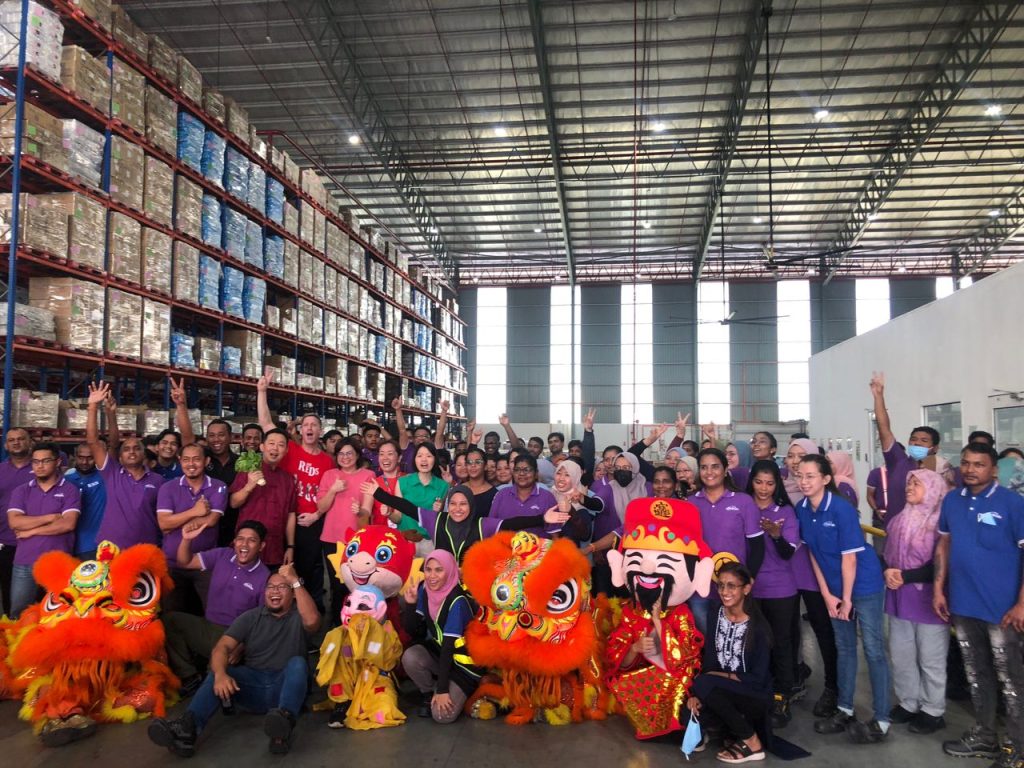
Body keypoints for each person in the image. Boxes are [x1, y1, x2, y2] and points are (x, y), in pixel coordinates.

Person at [147, 563, 320, 757]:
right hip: (254, 685)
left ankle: (283, 725)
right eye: (270, 587)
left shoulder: (299, 615)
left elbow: (313, 621)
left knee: (297, 663)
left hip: (285, 686)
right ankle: (187, 728)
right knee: (220, 671)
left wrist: (295, 580)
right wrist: (220, 674)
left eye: (282, 587)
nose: (275, 591)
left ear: (293, 593)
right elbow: (222, 647)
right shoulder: (251, 617)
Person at [936, 443, 1024, 766]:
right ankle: (985, 737)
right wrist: (938, 589)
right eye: (966, 463)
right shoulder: (952, 500)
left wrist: (1022, 604)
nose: (970, 469)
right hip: (963, 603)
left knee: (1011, 680)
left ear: (994, 469)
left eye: (979, 464)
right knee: (976, 674)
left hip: (1003, 610)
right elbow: (944, 543)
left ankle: (1018, 747)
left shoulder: (1012, 503)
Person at [797, 454, 890, 743]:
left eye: (810, 476)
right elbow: (812, 553)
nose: (804, 481)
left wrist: (846, 599)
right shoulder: (802, 508)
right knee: (845, 648)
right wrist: (827, 594)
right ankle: (845, 709)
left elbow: (850, 558)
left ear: (826, 479)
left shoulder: (841, 509)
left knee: (873, 650)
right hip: (836, 589)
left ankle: (882, 719)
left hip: (863, 585)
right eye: (800, 475)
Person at [165, 520, 271, 695]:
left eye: (251, 540)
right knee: (169, 621)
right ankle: (189, 676)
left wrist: (242, 647)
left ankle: (210, 677)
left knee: (215, 683)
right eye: (240, 539)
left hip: (233, 637)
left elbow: (263, 622)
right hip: (208, 626)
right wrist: (186, 539)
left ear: (261, 546)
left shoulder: (264, 576)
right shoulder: (223, 555)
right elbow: (185, 562)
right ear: (234, 541)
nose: (244, 544)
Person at [257, 370, 333, 610]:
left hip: (312, 523)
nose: (309, 428)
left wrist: (316, 516)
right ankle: (284, 610)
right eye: (305, 425)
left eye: (314, 425)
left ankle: (312, 612)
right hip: (285, 519)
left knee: (311, 571)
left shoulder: (328, 461)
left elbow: (331, 495)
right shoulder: (290, 450)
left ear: (320, 431)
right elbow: (267, 424)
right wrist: (262, 391)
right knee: (285, 569)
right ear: (300, 431)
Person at [882, 469, 949, 735]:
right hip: (899, 596)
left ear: (932, 489)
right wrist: (887, 571)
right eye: (909, 482)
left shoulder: (940, 523)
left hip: (928, 599)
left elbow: (942, 565)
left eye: (917, 483)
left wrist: (905, 576)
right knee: (901, 654)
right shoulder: (898, 520)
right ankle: (909, 702)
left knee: (931, 658)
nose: (909, 487)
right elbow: (887, 554)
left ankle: (933, 710)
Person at [687, 562, 772, 763]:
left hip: (752, 694)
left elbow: (757, 679)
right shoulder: (716, 613)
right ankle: (721, 727)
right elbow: (710, 658)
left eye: (732, 586)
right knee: (687, 710)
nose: (724, 592)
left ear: (746, 589)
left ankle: (751, 741)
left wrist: (712, 679)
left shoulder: (758, 627)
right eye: (721, 585)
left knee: (703, 682)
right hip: (719, 690)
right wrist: (698, 694)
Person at [370, 483, 568, 564]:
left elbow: (511, 523)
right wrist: (378, 493)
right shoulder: (436, 520)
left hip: (471, 585)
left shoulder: (482, 525)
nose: (457, 509)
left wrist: (542, 518)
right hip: (440, 580)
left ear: (471, 506)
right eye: (453, 504)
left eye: (463, 504)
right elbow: (406, 506)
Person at [746, 459, 800, 727]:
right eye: (759, 482)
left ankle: (782, 695)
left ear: (777, 484)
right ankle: (757, 691)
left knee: (781, 643)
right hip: (750, 588)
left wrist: (777, 535)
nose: (764, 488)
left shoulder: (785, 512)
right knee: (754, 644)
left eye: (769, 483)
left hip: (780, 589)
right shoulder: (744, 506)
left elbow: (788, 553)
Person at [689, 448, 765, 637]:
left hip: (734, 586)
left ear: (725, 470)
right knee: (706, 637)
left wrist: (749, 578)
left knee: (734, 638)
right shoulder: (689, 503)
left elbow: (757, 545)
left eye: (715, 466)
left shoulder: (743, 502)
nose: (709, 472)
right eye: (704, 467)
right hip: (699, 587)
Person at [400, 549, 483, 723]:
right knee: (410, 656)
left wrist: (443, 689)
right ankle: (429, 694)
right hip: (442, 656)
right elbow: (413, 631)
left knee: (442, 717)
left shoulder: (457, 601)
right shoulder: (424, 589)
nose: (432, 576)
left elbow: (448, 647)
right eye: (428, 569)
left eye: (439, 570)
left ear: (450, 571)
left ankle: (466, 690)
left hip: (464, 666)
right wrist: (410, 604)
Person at [87, 382, 165, 549]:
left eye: (137, 448)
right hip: (111, 549)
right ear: (120, 458)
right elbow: (93, 442)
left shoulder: (158, 480)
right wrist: (93, 406)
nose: (132, 452)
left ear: (144, 454)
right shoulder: (112, 473)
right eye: (127, 449)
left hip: (146, 548)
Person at [6, 442, 80, 617]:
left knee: (60, 614)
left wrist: (31, 531)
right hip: (25, 561)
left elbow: (68, 524)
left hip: (58, 562)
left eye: (45, 461)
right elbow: (14, 522)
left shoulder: (70, 490)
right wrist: (50, 517)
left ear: (58, 462)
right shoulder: (22, 491)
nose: (39, 466)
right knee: (19, 613)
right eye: (35, 461)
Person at [157, 443, 227, 613]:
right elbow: (164, 524)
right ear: (180, 460)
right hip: (172, 564)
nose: (191, 464)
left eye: (196, 459)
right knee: (172, 616)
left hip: (204, 562)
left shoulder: (218, 486)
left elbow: (211, 520)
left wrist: (175, 522)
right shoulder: (168, 488)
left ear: (206, 461)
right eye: (186, 459)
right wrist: (195, 511)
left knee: (213, 613)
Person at [869, 371, 949, 520]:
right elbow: (884, 429)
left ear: (935, 448)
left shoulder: (944, 470)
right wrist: (878, 397)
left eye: (924, 440)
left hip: (927, 531)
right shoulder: (898, 462)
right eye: (913, 439)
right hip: (895, 529)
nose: (917, 442)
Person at [317, 437, 375, 621]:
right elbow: (321, 507)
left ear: (357, 455)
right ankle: (336, 622)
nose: (345, 457)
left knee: (356, 584)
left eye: (349, 453)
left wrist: (360, 511)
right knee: (336, 584)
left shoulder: (368, 475)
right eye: (341, 454)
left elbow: (367, 509)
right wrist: (333, 490)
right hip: (331, 538)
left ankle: (357, 622)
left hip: (357, 541)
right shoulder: (329, 475)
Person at [227, 429, 297, 570]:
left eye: (280, 445)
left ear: (286, 450)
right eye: (271, 443)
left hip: (275, 548)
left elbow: (291, 514)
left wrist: (290, 546)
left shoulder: (288, 479)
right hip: (246, 548)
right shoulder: (249, 469)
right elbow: (233, 503)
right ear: (262, 447)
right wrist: (249, 486)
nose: (275, 448)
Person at [0, 427, 33, 614]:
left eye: (20, 439)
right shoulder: (1, 471)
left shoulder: (41, 468)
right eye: (11, 440)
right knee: (8, 591)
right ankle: (10, 628)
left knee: (37, 594)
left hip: (36, 541)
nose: (16, 443)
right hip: (6, 541)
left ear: (29, 442)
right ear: (6, 445)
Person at [490, 454, 558, 535]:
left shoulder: (547, 497)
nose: (521, 473)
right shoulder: (501, 495)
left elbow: (554, 534)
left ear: (536, 473)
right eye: (517, 470)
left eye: (527, 470)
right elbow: (492, 527)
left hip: (539, 543)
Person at [64, 442, 105, 561]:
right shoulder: (65, 481)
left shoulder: (104, 477)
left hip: (95, 546)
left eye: (90, 458)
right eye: (81, 457)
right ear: (74, 457)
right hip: (68, 545)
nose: (85, 462)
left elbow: (114, 447)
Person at [391, 397, 448, 473]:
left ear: (430, 439)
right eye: (418, 436)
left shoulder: (434, 448)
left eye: (425, 436)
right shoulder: (407, 448)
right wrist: (398, 410)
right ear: (413, 439)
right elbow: (402, 430)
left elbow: (440, 432)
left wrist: (444, 411)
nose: (421, 438)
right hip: (409, 480)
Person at [462, 446, 497, 517]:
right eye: (469, 462)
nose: (473, 465)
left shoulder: (494, 494)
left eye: (478, 462)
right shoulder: (459, 490)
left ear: (485, 466)